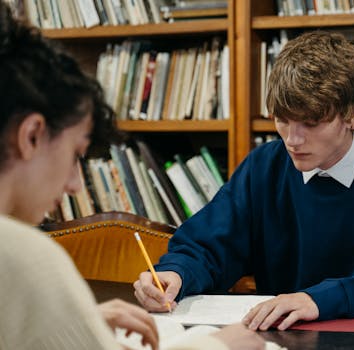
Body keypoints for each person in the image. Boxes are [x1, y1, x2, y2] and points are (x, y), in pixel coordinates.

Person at [134, 31, 354, 330]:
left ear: (353, 114)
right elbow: (207, 245)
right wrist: (175, 274)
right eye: (282, 120)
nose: (292, 139)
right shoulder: (265, 166)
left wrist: (323, 299)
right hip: (282, 340)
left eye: (311, 122)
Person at [0, 2, 264, 349]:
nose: (76, 184)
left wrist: (71, 328)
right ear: (32, 135)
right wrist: (219, 345)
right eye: (75, 154)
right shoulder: (23, 257)